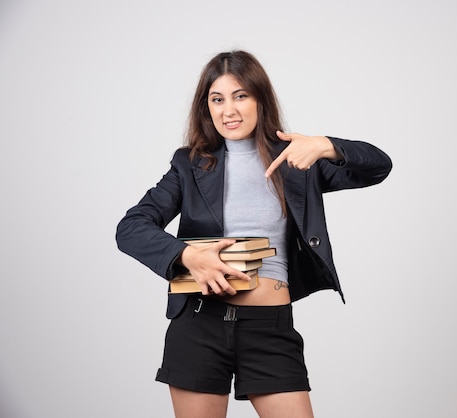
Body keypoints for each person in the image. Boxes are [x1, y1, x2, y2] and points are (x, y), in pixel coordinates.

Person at [116, 50, 392, 418]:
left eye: (240, 95)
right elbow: (131, 227)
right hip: (199, 323)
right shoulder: (189, 164)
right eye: (217, 99)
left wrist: (325, 144)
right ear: (207, 107)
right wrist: (186, 257)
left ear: (261, 99)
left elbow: (378, 167)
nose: (228, 110)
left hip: (270, 328)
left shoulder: (297, 161)